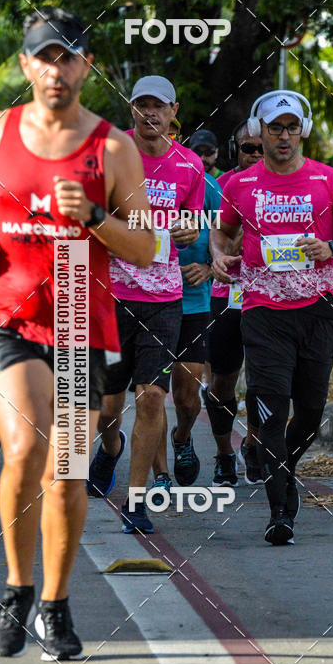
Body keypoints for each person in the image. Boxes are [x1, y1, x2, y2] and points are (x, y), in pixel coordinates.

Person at [0, 6, 155, 660]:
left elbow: (144, 248)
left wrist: (97, 218)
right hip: (9, 318)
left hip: (82, 317)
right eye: (44, 57)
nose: (57, 69)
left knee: (68, 473)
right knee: (25, 448)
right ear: (26, 65)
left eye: (68, 56)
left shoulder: (112, 147)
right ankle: (16, 589)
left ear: (87, 66)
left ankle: (54, 604)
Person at [210, 90, 333, 545]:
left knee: (310, 413)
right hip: (262, 311)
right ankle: (280, 511)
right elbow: (222, 232)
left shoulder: (327, 179)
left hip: (318, 309)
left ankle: (284, 467)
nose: (283, 137)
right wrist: (219, 256)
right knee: (270, 411)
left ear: (302, 130)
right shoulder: (240, 185)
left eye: (290, 127)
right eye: (274, 128)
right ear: (258, 133)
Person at [86, 75, 205, 534]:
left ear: (174, 111)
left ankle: (136, 503)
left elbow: (194, 221)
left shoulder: (189, 166)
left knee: (153, 396)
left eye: (159, 107)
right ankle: (110, 447)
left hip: (163, 297)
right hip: (112, 293)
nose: (150, 114)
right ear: (131, 110)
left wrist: (189, 231)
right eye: (142, 106)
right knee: (110, 406)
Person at [203, 121, 264, 487]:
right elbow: (215, 241)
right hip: (226, 296)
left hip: (268, 298)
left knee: (263, 380)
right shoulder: (220, 187)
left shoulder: (284, 188)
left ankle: (254, 445)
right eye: (247, 148)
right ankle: (225, 453)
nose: (255, 155)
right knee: (223, 382)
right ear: (234, 149)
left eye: (261, 148)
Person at [151, 171, 220, 494]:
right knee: (150, 395)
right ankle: (161, 474)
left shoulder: (205, 185)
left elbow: (230, 232)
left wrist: (209, 265)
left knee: (187, 396)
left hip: (193, 301)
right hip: (148, 300)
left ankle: (182, 436)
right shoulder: (135, 176)